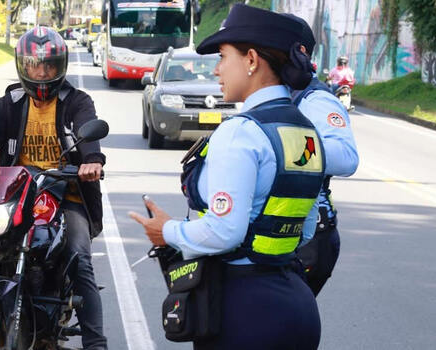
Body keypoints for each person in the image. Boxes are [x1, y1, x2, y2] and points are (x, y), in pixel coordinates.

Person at [130, 4, 325, 349]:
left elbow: (224, 231)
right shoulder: (306, 131)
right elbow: (305, 227)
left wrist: (167, 231)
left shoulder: (239, 133)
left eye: (222, 56)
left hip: (244, 310)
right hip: (297, 304)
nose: (217, 70)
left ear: (251, 60)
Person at [0, 27, 108, 350]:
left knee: (78, 256)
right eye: (35, 65)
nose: (42, 73)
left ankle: (96, 343)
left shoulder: (76, 101)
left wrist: (92, 161)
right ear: (23, 66)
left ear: (60, 66)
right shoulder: (10, 103)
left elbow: (90, 133)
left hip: (65, 194)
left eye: (49, 66)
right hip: (16, 194)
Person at [286, 14, 359, 296]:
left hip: (311, 237)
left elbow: (346, 157)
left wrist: (284, 146)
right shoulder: (283, 94)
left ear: (299, 53)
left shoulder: (315, 99)